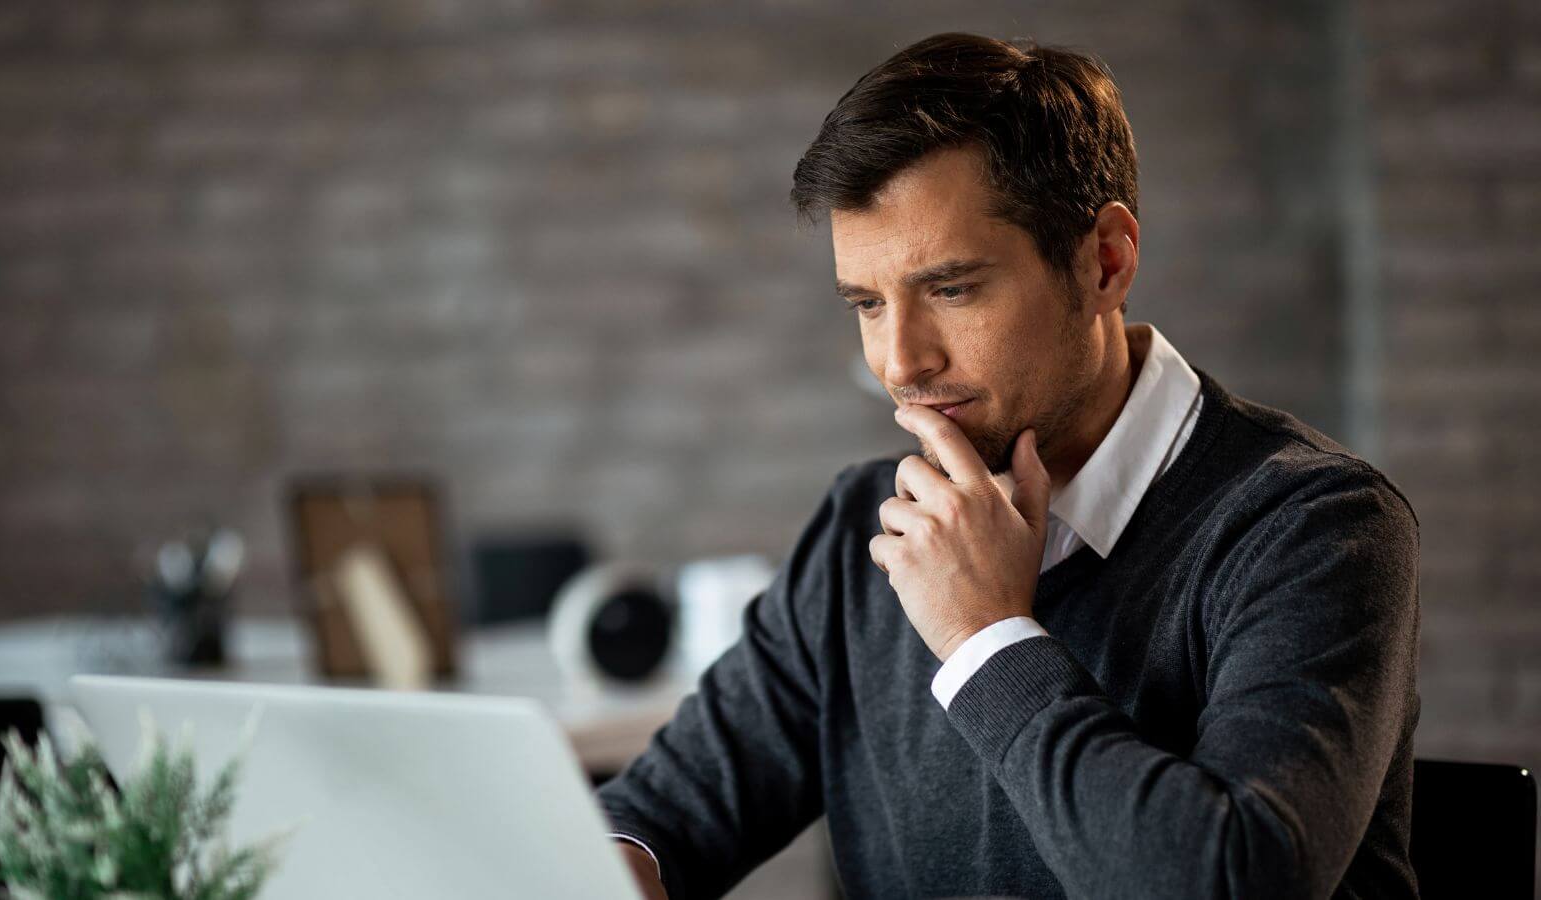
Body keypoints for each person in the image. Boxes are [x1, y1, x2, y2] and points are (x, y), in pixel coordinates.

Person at [597, 32, 1420, 900]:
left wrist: (983, 636)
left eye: (952, 289)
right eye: (868, 304)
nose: (900, 362)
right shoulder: (862, 531)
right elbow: (662, 815)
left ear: (1106, 260)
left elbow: (1225, 882)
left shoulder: (1317, 525)